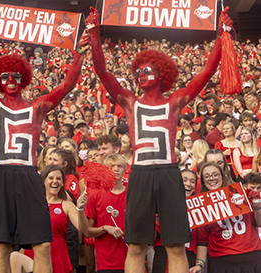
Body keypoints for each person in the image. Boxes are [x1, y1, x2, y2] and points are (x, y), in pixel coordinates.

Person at [87, 7, 231, 273]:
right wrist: (94, 33)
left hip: (168, 173)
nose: (141, 75)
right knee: (136, 246)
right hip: (140, 173)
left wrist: (223, 36)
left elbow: (207, 71)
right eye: (138, 71)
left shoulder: (175, 102)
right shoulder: (129, 103)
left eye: (147, 70)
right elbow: (102, 71)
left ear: (162, 74)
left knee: (175, 246)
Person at [0, 26, 89, 272]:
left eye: (16, 76)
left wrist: (79, 54)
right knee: (1, 245)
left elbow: (68, 84)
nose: (10, 81)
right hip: (0, 175)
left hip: (30, 175)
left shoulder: (38, 107)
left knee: (42, 243)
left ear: (24, 78)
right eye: (5, 76)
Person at [191, 163, 261, 273]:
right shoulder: (202, 206)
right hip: (221, 262)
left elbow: (259, 223)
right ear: (203, 180)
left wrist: (257, 204)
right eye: (207, 176)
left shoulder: (241, 193)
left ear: (223, 176)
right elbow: (202, 242)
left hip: (251, 256)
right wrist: (200, 264)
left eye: (215, 174)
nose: (212, 178)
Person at [77, 154, 129, 272]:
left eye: (119, 166)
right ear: (105, 169)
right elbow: (88, 232)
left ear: (125, 169)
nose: (116, 169)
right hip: (106, 262)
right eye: (112, 166)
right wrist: (105, 228)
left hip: (131, 258)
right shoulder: (95, 194)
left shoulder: (133, 193)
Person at [40, 164, 87, 273]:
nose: (55, 181)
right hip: (35, 252)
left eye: (58, 178)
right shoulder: (34, 204)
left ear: (62, 182)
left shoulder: (67, 205)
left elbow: (83, 228)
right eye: (51, 178)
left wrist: (80, 209)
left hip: (58, 254)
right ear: (43, 181)